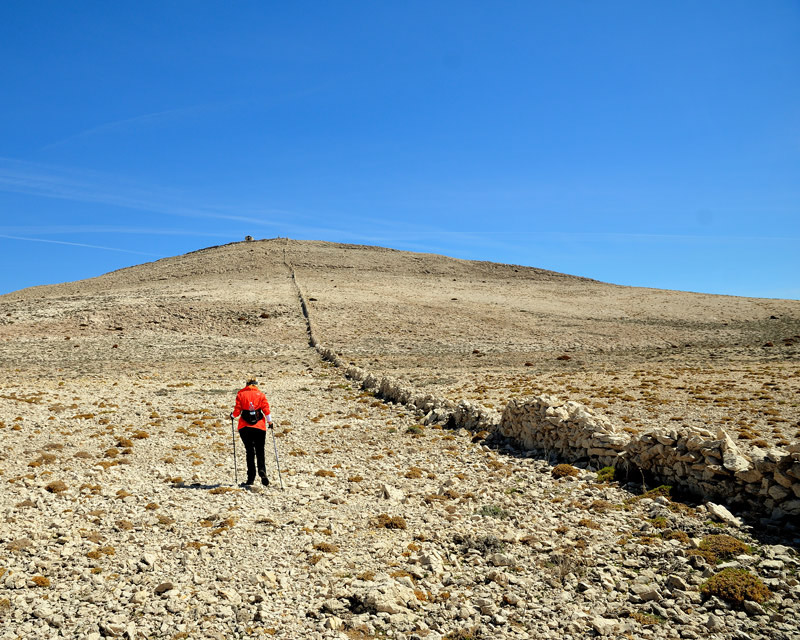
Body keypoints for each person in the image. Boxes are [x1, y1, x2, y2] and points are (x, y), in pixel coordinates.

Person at [231, 378, 273, 487]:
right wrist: (270, 422)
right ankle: (262, 471)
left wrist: (232, 416)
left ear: (247, 384)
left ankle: (250, 478)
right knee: (260, 450)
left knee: (249, 451)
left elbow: (237, 410)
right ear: (256, 385)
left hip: (244, 427)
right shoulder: (261, 395)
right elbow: (266, 409)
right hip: (259, 426)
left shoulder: (240, 394)